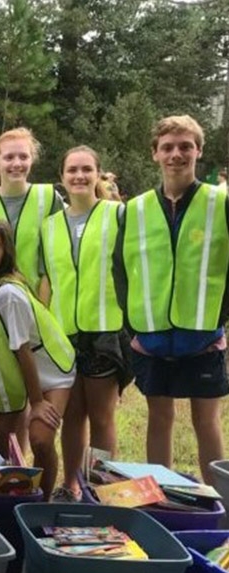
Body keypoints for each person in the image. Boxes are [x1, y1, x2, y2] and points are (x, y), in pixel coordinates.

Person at [114, 115, 229, 482]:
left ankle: (219, 504)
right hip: (151, 336)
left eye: (185, 147)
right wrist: (132, 326)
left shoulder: (219, 203)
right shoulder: (134, 209)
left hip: (204, 335)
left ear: (199, 150)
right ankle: (161, 501)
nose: (176, 155)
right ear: (155, 154)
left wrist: (221, 319)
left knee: (206, 421)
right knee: (159, 419)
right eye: (168, 147)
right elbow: (121, 269)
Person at [40, 146, 130, 502]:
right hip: (64, 333)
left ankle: (100, 487)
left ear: (97, 174)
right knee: (72, 415)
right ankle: (72, 484)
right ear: (61, 177)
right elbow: (48, 278)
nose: (79, 176)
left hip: (105, 329)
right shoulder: (50, 225)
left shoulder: (117, 215)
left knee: (102, 416)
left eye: (86, 169)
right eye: (72, 170)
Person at [0, 219, 75, 499]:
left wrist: (37, 402)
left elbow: (22, 351)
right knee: (0, 441)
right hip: (18, 376)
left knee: (41, 438)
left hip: (51, 374)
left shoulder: (8, 293)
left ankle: (43, 500)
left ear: (6, 253)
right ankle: (8, 497)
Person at [0, 127, 63, 289]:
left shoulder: (48, 198)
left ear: (31, 160)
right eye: (9, 157)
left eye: (23, 157)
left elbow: (55, 259)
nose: (17, 163)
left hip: (34, 299)